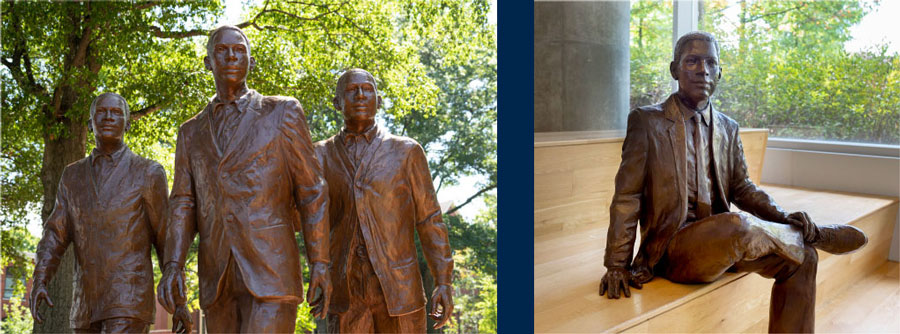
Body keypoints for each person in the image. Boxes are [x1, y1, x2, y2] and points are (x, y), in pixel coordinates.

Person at [599, 31, 867, 333]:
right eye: (693, 61)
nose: (703, 70)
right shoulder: (648, 122)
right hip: (674, 249)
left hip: (726, 242)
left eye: (711, 63)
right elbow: (627, 196)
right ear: (674, 69)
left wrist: (781, 215)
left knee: (803, 258)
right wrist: (616, 264)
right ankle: (806, 234)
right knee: (738, 224)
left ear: (720, 73)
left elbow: (742, 188)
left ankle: (798, 237)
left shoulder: (728, 127)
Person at [157, 25, 331, 333]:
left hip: (271, 268)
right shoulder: (191, 132)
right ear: (208, 62)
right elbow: (183, 203)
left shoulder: (282, 113)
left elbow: (311, 191)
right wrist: (173, 264)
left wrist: (320, 262)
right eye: (222, 50)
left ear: (250, 61)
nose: (231, 56)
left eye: (239, 50)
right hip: (218, 275)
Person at [315, 69, 454, 333]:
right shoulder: (319, 155)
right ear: (336, 102)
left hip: (400, 291)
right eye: (351, 90)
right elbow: (307, 222)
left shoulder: (406, 152)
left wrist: (443, 281)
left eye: (367, 89)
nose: (360, 95)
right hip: (345, 294)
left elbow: (430, 220)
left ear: (379, 101)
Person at [30, 92, 168, 333]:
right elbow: (55, 234)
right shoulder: (72, 176)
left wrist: (178, 297)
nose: (108, 117)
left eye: (116, 113)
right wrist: (41, 277)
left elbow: (166, 237)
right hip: (85, 304)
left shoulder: (148, 172)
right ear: (90, 122)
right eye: (101, 112)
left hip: (129, 301)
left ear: (127, 122)